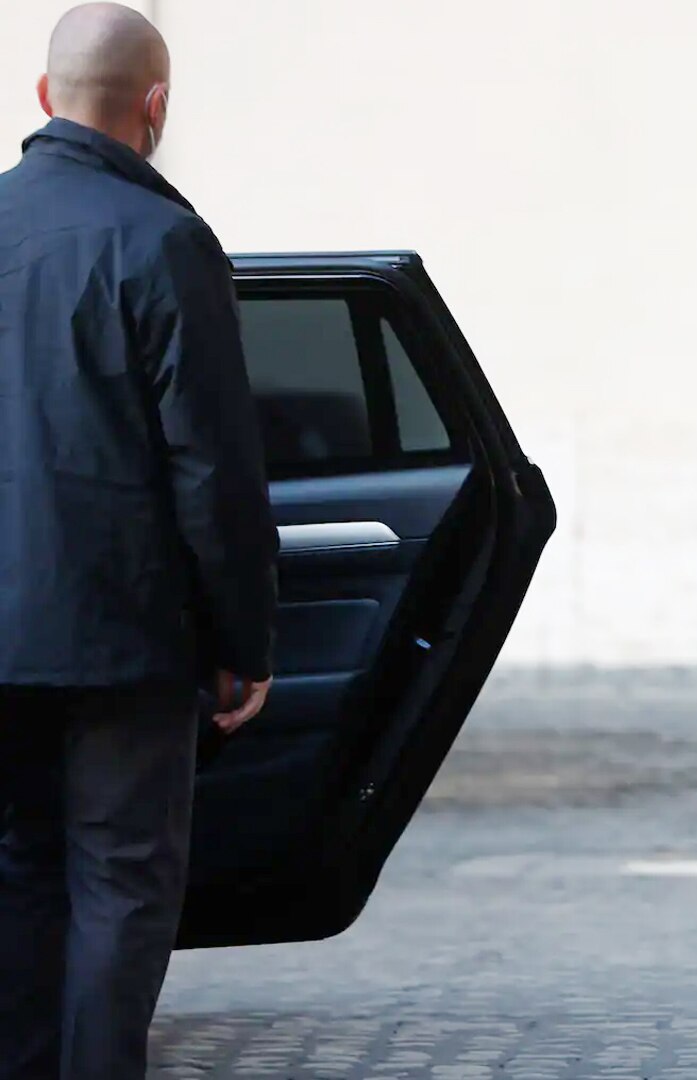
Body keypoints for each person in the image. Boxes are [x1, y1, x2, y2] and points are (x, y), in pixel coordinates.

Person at [0, 4, 279, 1076]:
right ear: (154, 107)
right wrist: (242, 642)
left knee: (18, 871)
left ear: (41, 98)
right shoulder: (165, 242)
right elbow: (212, 466)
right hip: (124, 641)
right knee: (120, 882)